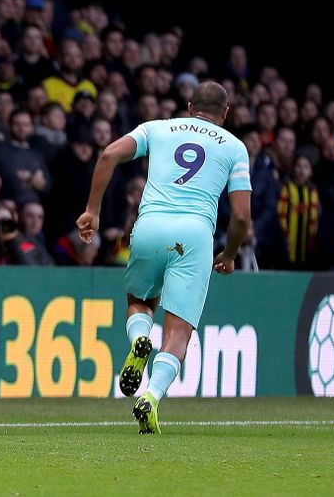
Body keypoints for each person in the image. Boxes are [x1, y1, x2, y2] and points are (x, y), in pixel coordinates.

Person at [76, 81, 251, 434]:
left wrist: (93, 210)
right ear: (226, 114)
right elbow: (242, 216)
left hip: (150, 225)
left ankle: (140, 338)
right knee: (178, 332)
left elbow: (109, 154)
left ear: (189, 107)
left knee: (140, 301)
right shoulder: (234, 147)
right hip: (195, 235)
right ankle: (152, 397)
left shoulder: (157, 128)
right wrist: (230, 255)